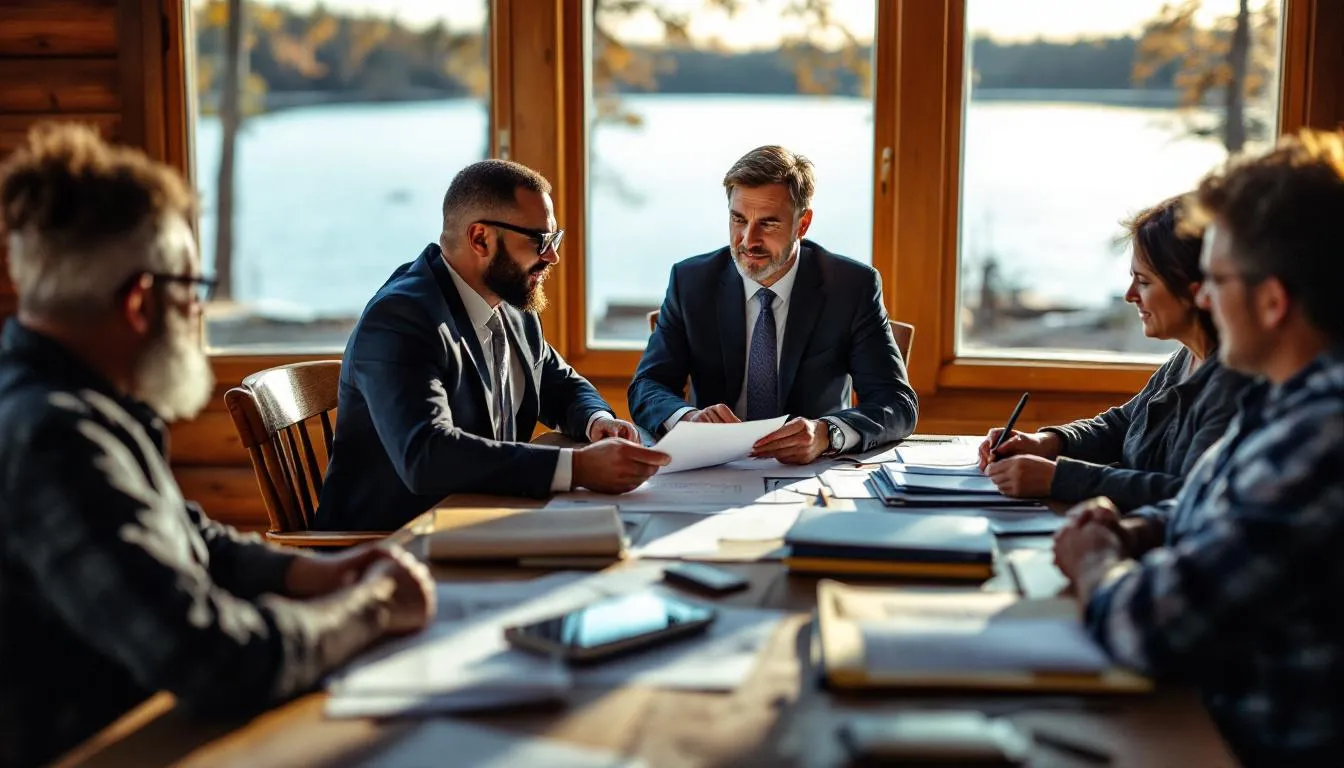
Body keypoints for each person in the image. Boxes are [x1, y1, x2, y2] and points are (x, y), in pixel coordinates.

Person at [0, 123, 436, 767]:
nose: (198, 313)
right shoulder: (52, 439)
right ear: (142, 301)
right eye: (192, 292)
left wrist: (307, 572)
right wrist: (368, 608)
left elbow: (184, 534)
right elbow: (211, 658)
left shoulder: (78, 401)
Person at [1054, 129, 1344, 766]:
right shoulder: (1285, 399)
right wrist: (1136, 533)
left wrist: (1097, 560)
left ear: (1272, 302)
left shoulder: (1321, 436)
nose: (1203, 299)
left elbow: (1150, 625)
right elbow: (1222, 507)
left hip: (1231, 743)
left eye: (1214, 280)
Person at [316, 160, 667, 531]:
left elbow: (560, 384)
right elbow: (426, 455)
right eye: (539, 241)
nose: (553, 257)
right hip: (388, 550)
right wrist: (578, 468)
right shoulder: (400, 319)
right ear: (480, 238)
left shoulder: (511, 305)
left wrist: (600, 422)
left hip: (483, 524)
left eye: (555, 239)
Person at [628, 145, 918, 463]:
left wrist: (827, 433)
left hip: (811, 473)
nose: (748, 240)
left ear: (802, 224)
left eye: (768, 224)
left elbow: (896, 403)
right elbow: (647, 386)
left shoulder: (851, 287)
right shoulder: (692, 282)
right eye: (738, 219)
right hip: (713, 469)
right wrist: (687, 419)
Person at [978, 195, 1251, 510]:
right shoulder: (1184, 359)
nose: (1129, 295)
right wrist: (1047, 442)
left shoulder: (1234, 385)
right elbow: (1122, 424)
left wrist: (1059, 478)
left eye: (1144, 282)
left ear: (1193, 290)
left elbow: (1186, 495)